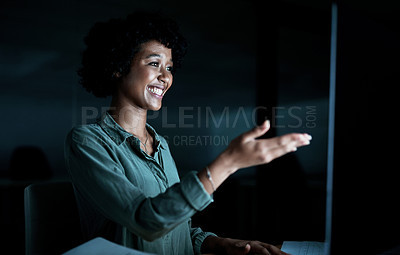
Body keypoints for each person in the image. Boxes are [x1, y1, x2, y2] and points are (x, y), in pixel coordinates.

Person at [65, 11, 311, 255]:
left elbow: (175, 227)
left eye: (169, 68)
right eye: (154, 63)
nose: (165, 77)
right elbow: (146, 221)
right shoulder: (86, 141)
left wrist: (222, 244)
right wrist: (229, 162)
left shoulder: (159, 144)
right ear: (118, 67)